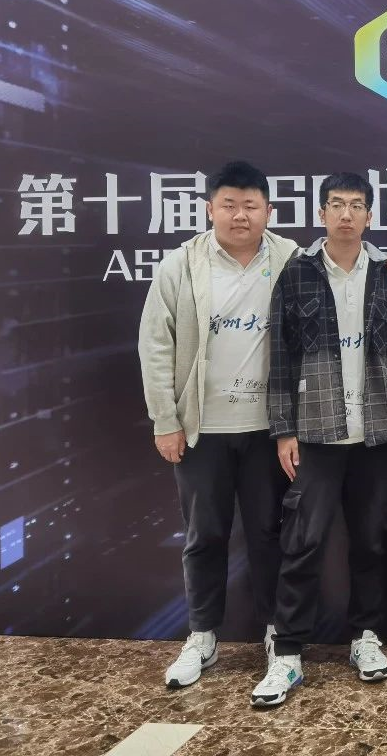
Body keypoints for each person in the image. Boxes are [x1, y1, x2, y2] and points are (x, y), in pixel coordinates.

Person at [250, 172, 387, 707]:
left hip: (377, 433)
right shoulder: (297, 272)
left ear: (369, 216)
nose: (346, 214)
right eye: (337, 204)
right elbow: (279, 355)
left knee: (371, 541)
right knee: (303, 542)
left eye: (356, 205)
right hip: (316, 433)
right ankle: (288, 651)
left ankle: (366, 636)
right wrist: (283, 429)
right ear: (321, 213)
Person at [139, 160, 292, 690]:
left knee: (269, 534)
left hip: (269, 429)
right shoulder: (181, 265)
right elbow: (156, 345)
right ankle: (202, 635)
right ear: (210, 208)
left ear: (268, 210)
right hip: (201, 430)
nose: (240, 215)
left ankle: (276, 632)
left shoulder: (291, 258)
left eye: (251, 205)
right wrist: (165, 419)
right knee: (204, 536)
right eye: (229, 204)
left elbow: (349, 276)